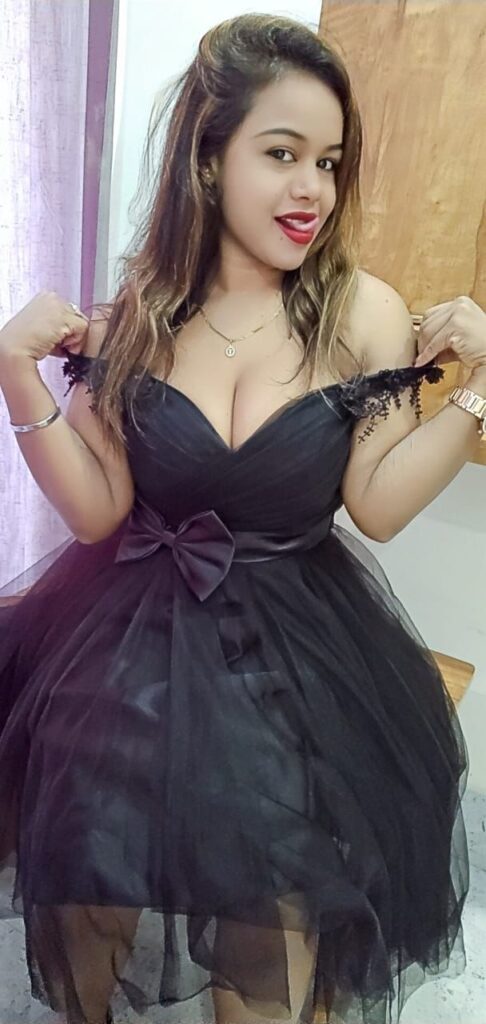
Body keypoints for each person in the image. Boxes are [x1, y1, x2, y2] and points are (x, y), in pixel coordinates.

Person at [0, 12, 484, 1024]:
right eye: (282, 154)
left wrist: (480, 386)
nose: (314, 189)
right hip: (126, 632)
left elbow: (377, 506)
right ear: (210, 159)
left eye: (330, 162)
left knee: (269, 921)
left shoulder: (362, 312)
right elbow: (97, 512)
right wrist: (15, 372)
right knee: (89, 881)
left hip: (297, 650)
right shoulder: (139, 309)